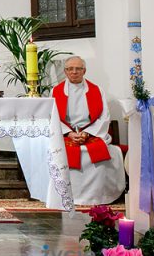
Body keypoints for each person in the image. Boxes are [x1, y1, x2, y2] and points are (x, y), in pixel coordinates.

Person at [54, 56, 125, 205]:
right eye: (70, 69)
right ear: (65, 71)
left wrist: (87, 133)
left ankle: (96, 196)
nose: (74, 72)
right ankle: (68, 194)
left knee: (98, 151)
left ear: (84, 71)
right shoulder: (56, 91)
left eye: (78, 68)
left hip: (91, 132)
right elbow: (52, 117)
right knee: (62, 151)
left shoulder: (96, 90)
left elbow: (104, 116)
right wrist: (69, 133)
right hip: (67, 132)